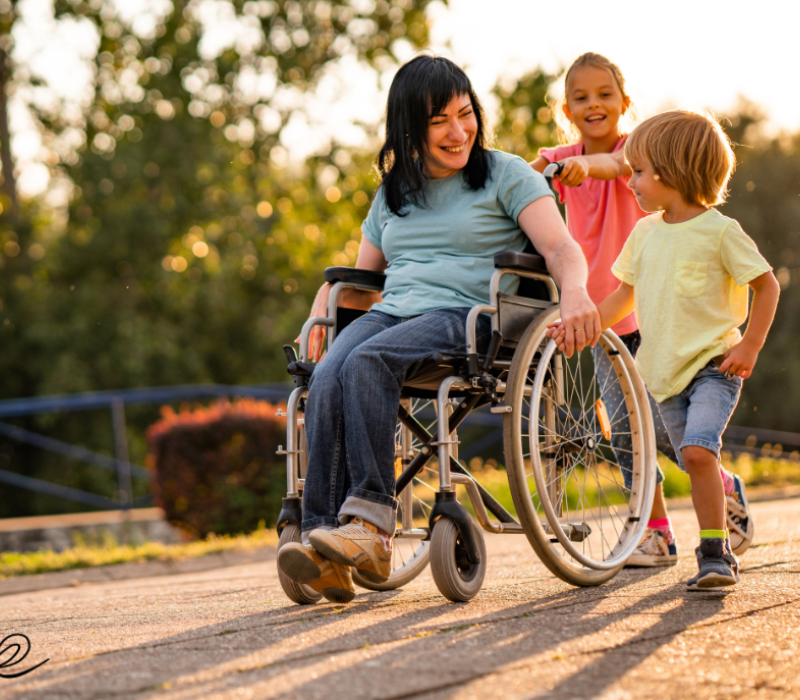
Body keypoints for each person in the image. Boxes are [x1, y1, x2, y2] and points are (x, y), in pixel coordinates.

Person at [277, 54, 600, 604]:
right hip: (394, 313)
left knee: (367, 362)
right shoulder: (393, 193)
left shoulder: (504, 174)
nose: (459, 132)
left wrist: (575, 292)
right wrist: (321, 308)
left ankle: (372, 528)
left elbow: (559, 248)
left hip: (471, 316)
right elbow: (362, 279)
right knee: (328, 371)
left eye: (466, 113)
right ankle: (322, 544)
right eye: (440, 121)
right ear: (409, 130)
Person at [531, 53, 754, 566]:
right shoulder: (561, 154)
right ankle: (655, 533)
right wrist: (526, 176)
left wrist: (585, 167)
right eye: (581, 98)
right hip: (603, 314)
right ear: (566, 109)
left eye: (605, 94)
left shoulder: (643, 152)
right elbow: (526, 177)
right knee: (630, 435)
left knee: (679, 438)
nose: (594, 105)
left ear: (624, 102)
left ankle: (722, 485)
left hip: (656, 318)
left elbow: (613, 164)